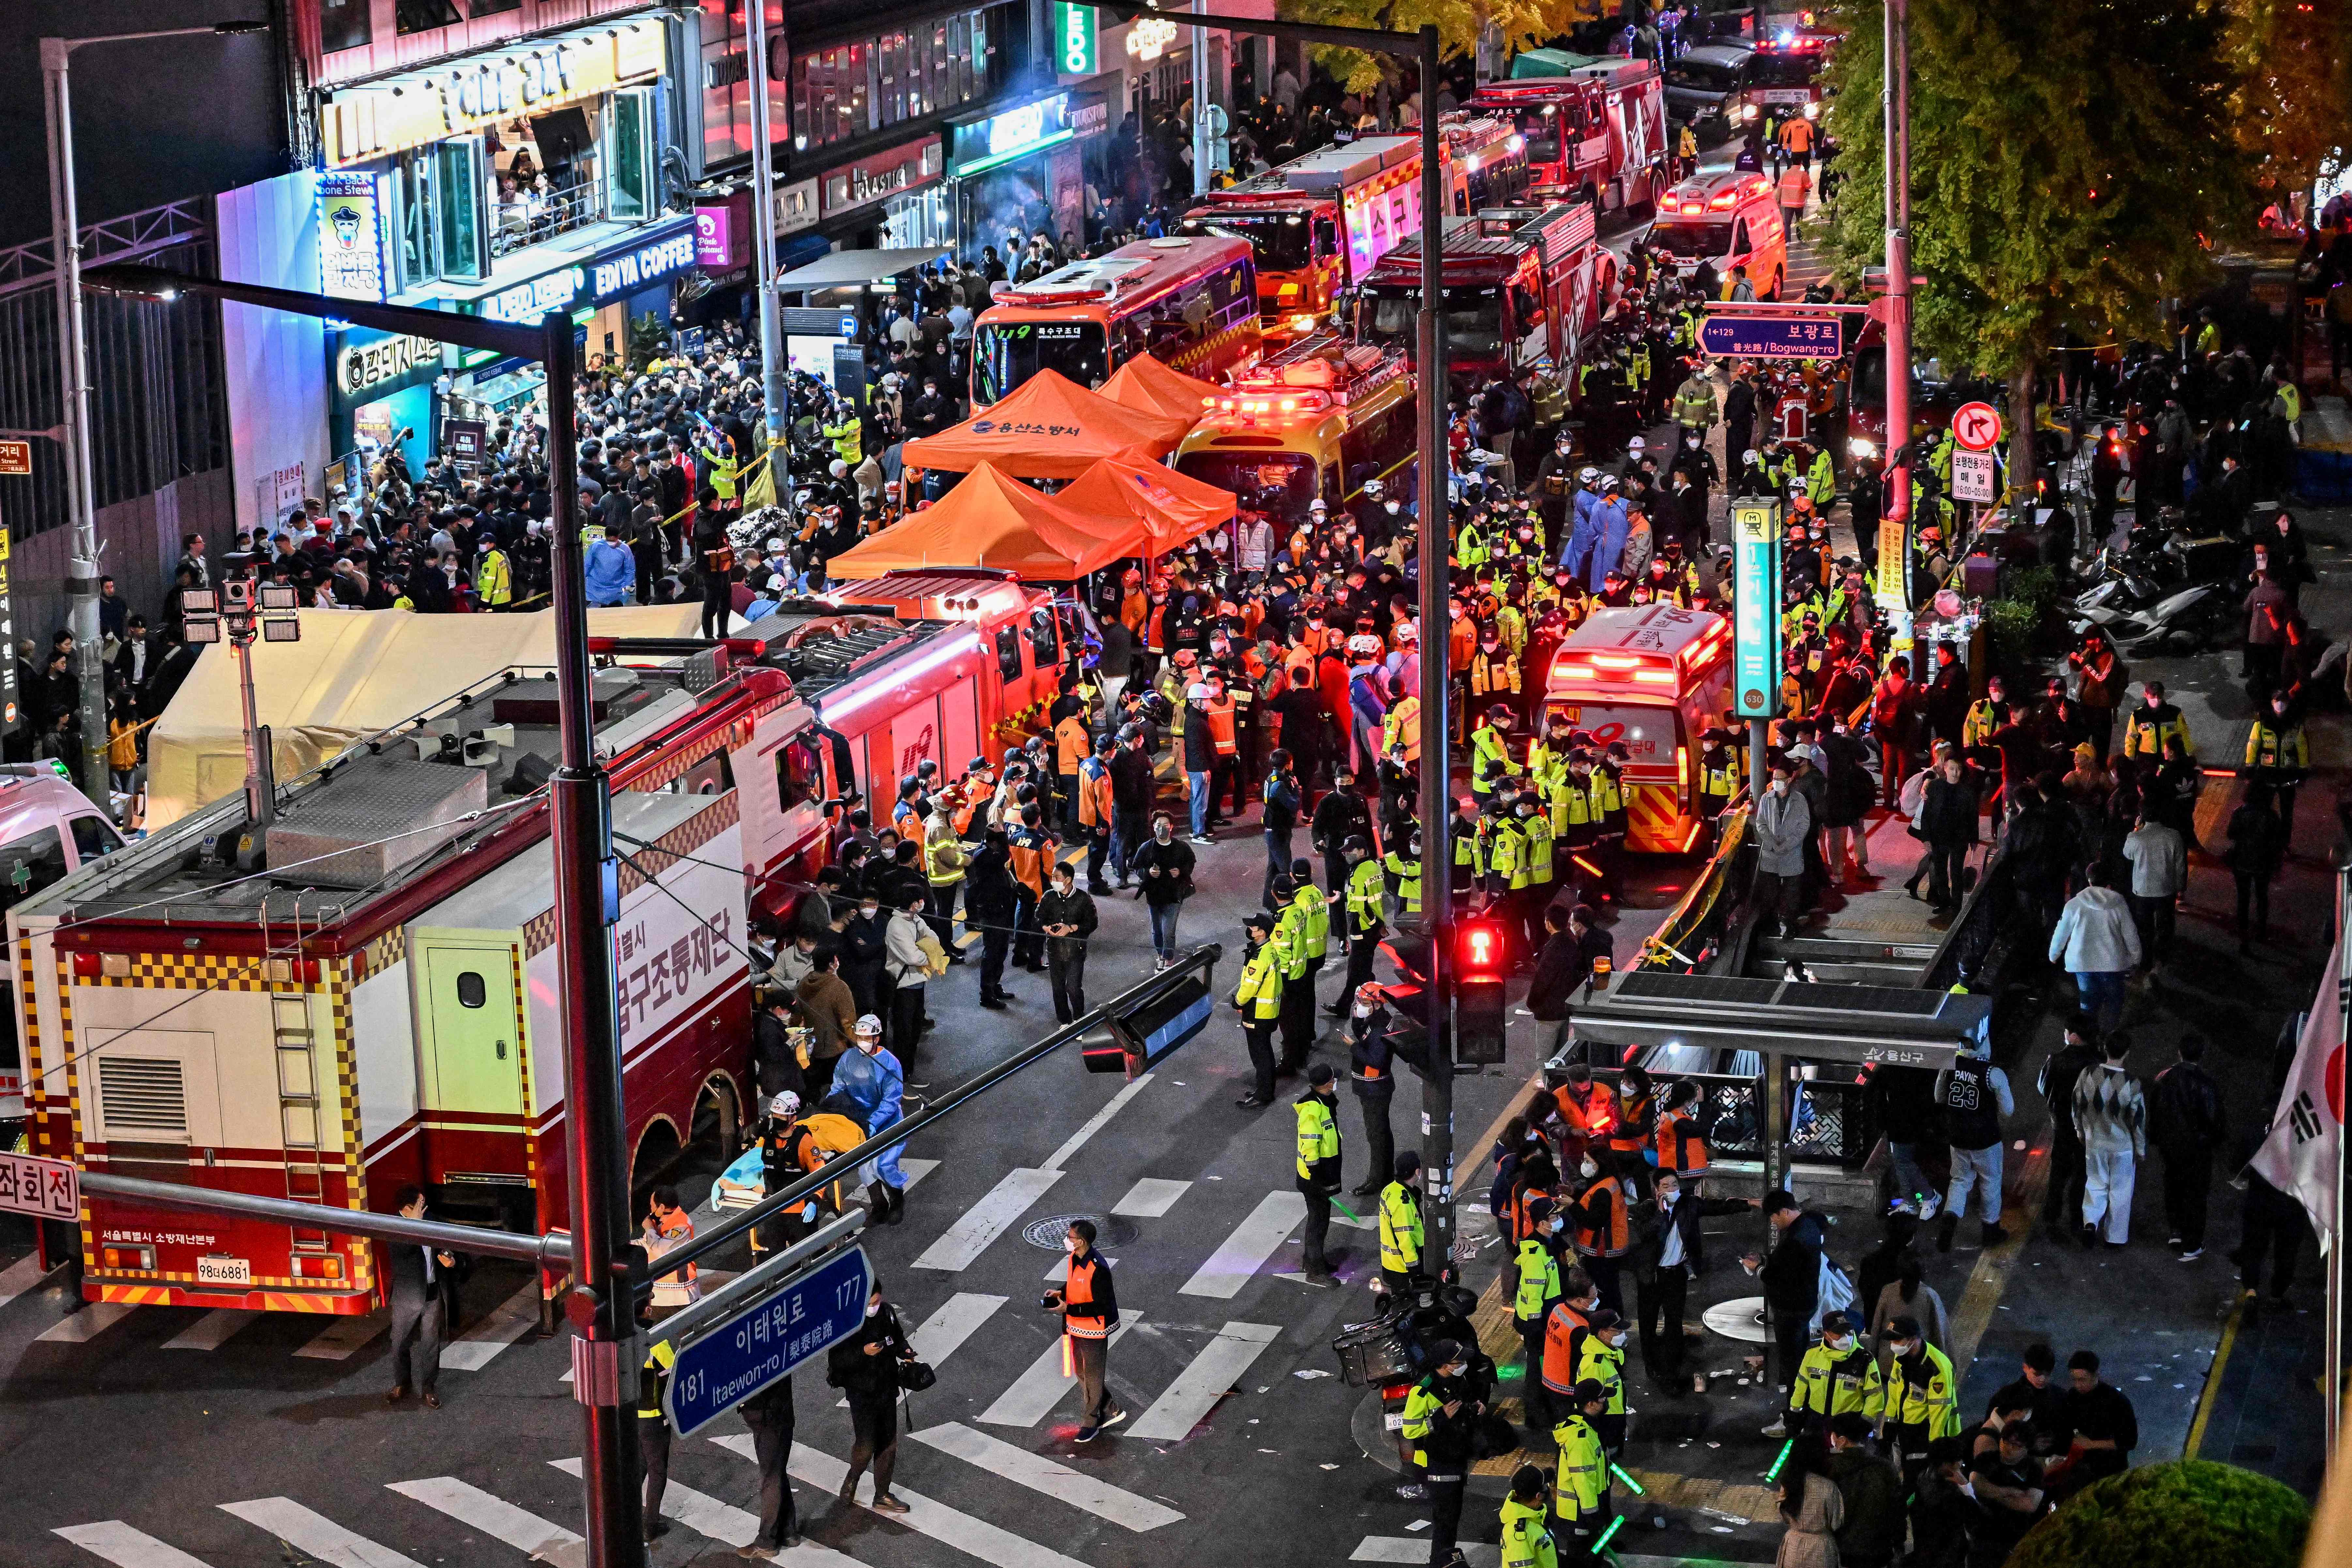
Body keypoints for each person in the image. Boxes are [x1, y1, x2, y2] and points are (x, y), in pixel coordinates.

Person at [1629, 1168, 1753, 1393]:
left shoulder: (1689, 1204)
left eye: (1674, 1185)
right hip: (1650, 1276)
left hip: (1675, 1274)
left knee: (1673, 1324)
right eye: (1666, 1187)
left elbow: (1718, 1206)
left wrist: (1749, 1203)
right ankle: (1652, 1366)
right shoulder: (1646, 1210)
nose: (1671, 1190)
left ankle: (1671, 1372)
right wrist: (1660, 1214)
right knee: (1647, 1325)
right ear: (1656, 1190)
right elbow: (1645, 1234)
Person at [827, 1279, 915, 1513]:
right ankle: (852, 1479)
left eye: (877, 1301)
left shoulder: (887, 1313)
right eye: (870, 1303)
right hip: (861, 1393)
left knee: (888, 1444)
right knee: (866, 1444)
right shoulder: (848, 1321)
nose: (874, 1307)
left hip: (887, 1387)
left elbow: (897, 1338)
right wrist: (863, 1353)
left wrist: (905, 1351)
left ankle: (883, 1494)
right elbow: (837, 1361)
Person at [1400, 1337, 1482, 1564]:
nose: (1463, 1364)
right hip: (1434, 1463)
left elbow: (1461, 1405)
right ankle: (1440, 1561)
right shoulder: (1423, 1392)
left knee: (1452, 1518)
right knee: (1445, 1520)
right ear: (1445, 1365)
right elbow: (1409, 1431)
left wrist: (1474, 1406)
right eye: (1458, 1361)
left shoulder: (1458, 1380)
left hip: (1455, 1456)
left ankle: (1445, 1559)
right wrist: (1438, 1419)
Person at [1043, 1219, 1126, 1440]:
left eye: (1070, 1237)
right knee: (1082, 1373)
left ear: (1081, 1241)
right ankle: (1110, 1407)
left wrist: (1067, 1308)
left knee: (1092, 1375)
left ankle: (1092, 1421)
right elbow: (1075, 1283)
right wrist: (1060, 1293)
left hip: (1094, 1330)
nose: (1067, 1240)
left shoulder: (1098, 1268)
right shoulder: (1075, 1258)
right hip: (1075, 1327)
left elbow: (1099, 1305)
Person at [1933, 1035, 2014, 1250]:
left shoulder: (1949, 1066)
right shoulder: (1993, 1074)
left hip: (1957, 1138)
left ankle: (1950, 1217)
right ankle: (1990, 1230)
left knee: (1959, 1180)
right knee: (1990, 1181)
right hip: (1987, 1140)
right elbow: (2008, 1110)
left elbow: (1939, 1098)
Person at [2149, 1035, 2225, 1261]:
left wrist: (2157, 1138)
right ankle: (2192, 1244)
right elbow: (2214, 1119)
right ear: (2201, 1055)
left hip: (2170, 1145)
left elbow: (2155, 1112)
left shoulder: (2164, 1078)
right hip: (2197, 1148)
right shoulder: (2206, 1083)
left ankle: (2176, 1231)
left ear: (2179, 1053)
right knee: (2196, 1193)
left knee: (2173, 1184)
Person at [1746, 1190, 1824, 1395]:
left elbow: (1776, 1277)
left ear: (1784, 1212)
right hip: (1806, 1302)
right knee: (1800, 1353)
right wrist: (1765, 1259)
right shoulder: (1809, 1225)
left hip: (1791, 1309)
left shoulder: (1794, 1241)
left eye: (1773, 1216)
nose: (1773, 1221)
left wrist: (1756, 1268)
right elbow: (1789, 1266)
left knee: (1792, 1363)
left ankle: (1795, 1410)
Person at [384, 1184, 454, 1408]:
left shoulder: (431, 1220)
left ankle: (428, 1387)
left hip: (433, 1292)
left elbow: (447, 1242)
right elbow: (402, 1252)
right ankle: (401, 1383)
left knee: (431, 1343)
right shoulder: (394, 1227)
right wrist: (415, 1226)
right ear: (407, 1209)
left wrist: (450, 1258)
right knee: (399, 1342)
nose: (425, 1207)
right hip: (408, 1296)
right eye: (420, 1204)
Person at [2048, 864, 2140, 1035]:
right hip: (2113, 964)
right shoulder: (2119, 903)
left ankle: (2088, 1037)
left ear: (2089, 881)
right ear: (2109, 884)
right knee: (2114, 1001)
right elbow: (2130, 933)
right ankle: (2108, 1035)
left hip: (2083, 963)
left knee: (2088, 1003)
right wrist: (2136, 958)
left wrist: (2054, 954)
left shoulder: (2074, 905)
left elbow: (2061, 932)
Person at [2074, 1031, 2146, 1247]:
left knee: (2095, 1184)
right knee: (2120, 1191)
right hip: (2121, 1146)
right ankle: (2115, 1238)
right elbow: (2138, 1120)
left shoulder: (2087, 1073)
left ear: (2105, 1049)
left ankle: (2090, 1223)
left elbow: (2076, 1105)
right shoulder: (2132, 1083)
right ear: (2127, 1053)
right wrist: (2140, 1149)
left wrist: (2080, 1131)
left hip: (2094, 1142)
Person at [1779, 1311, 1884, 1447]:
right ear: (1826, 1335)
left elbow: (1875, 1395)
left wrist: (1864, 1423)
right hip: (1817, 1423)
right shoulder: (1812, 1356)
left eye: (1849, 1332)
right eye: (1839, 1333)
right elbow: (1800, 1388)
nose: (1846, 1338)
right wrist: (1794, 1417)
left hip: (1848, 1426)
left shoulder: (1865, 1360)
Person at [1877, 1314, 1960, 1480]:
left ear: (1913, 1339)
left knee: (1919, 1478)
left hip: (1927, 1431)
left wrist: (1934, 1446)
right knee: (1906, 1470)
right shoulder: (1902, 1357)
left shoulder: (1937, 1367)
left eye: (1897, 1341)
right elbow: (1895, 1392)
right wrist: (1890, 1426)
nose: (1893, 1345)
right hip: (1907, 1425)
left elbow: (1940, 1410)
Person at [2045, 1350, 2137, 1500]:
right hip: (2080, 1464)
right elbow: (2068, 1425)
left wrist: (2091, 1444)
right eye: (2075, 1380)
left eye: (2083, 1380)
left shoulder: (2117, 1402)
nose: (2078, 1385)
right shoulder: (2073, 1397)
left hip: (2110, 1469)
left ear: (2096, 1375)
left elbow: (2129, 1442)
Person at [1823, 1413, 1903, 1568]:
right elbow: (1898, 1510)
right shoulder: (1885, 1467)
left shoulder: (1831, 1468)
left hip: (1843, 1549)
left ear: (1842, 1441)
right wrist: (1898, 1546)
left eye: (1833, 1436)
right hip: (1880, 1549)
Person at [736, 1376, 801, 1557]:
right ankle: (789, 1532)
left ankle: (766, 1541)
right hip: (780, 1416)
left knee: (770, 1479)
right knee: (777, 1472)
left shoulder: (762, 1354)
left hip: (769, 1420)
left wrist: (743, 1403)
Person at [1550, 1379, 1613, 1559]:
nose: (1606, 1402)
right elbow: (1583, 1481)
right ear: (1591, 1404)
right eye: (1602, 1400)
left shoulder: (1584, 1424)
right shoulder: (1582, 1439)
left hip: (1585, 1506)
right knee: (1581, 1555)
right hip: (1580, 1511)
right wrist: (1592, 1514)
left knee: (1587, 1551)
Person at [2225, 783, 2289, 952]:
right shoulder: (2272, 816)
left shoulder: (2239, 813)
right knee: (2262, 896)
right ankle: (2261, 931)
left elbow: (2230, 834)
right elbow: (2278, 841)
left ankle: (2244, 936)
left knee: (2243, 898)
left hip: (2242, 862)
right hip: (2264, 863)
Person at [1295, 1063, 1343, 1282]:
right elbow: (1310, 1147)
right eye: (1333, 1080)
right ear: (1328, 1084)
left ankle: (1313, 1259)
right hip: (1315, 1176)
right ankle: (1315, 1270)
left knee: (1320, 1219)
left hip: (1322, 1173)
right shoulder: (1313, 1110)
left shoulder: (1324, 1103)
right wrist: (1316, 1179)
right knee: (1318, 1221)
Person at [1753, 760, 1811, 937]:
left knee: (1791, 894)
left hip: (1791, 854)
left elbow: (1804, 825)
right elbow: (1761, 823)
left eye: (1779, 778)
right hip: (1771, 855)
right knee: (1770, 893)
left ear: (1788, 780)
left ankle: (1789, 924)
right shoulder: (1766, 799)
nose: (1775, 781)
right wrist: (1772, 843)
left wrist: (1787, 844)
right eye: (1773, 778)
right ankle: (1771, 924)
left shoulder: (1799, 800)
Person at [1132, 812, 1197, 969]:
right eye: (1159, 826)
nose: (1162, 829)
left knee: (1168, 930)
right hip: (1154, 896)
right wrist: (1147, 872)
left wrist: (1181, 872)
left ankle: (1168, 958)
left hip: (1174, 896)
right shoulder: (1147, 848)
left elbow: (1190, 863)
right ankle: (1160, 954)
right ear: (1154, 828)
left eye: (1166, 826)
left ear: (1172, 827)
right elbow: (1136, 866)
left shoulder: (1181, 847)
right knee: (1157, 929)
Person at [1037, 861, 1098, 1023]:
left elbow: (1092, 923)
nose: (1053, 880)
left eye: (1057, 877)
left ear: (1068, 880)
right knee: (1058, 989)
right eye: (1052, 877)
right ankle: (1065, 1021)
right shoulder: (1049, 896)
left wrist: (1071, 928)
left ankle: (1079, 1018)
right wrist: (1046, 927)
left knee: (1073, 988)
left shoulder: (1083, 898)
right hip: (1054, 950)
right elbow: (1039, 916)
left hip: (1075, 951)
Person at [1775, 1442, 1844, 1568]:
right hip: (1821, 1548)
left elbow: (1784, 1517)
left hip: (1793, 1545)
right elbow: (1836, 1523)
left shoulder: (1789, 1484)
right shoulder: (1829, 1487)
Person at [1380, 1150, 1427, 1299]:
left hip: (1390, 1262)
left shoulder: (1389, 1190)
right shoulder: (1404, 1204)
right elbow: (1405, 1238)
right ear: (1417, 1172)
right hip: (1403, 1267)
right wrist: (1415, 1267)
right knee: (1408, 1305)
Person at [1501, 1463, 1560, 1568]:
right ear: (1538, 1496)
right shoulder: (1520, 1535)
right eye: (1546, 1486)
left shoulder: (1535, 1516)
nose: (1549, 1487)